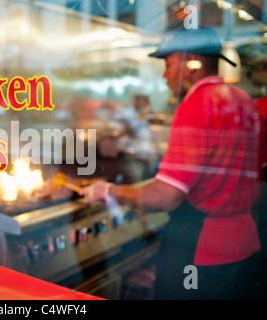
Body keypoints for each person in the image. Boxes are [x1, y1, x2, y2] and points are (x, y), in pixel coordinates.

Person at [79, 28, 267, 300]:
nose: (165, 75)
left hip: (201, 248)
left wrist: (106, 191)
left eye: (168, 65)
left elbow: (166, 197)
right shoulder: (246, 103)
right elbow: (256, 176)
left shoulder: (196, 105)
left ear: (191, 62)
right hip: (245, 245)